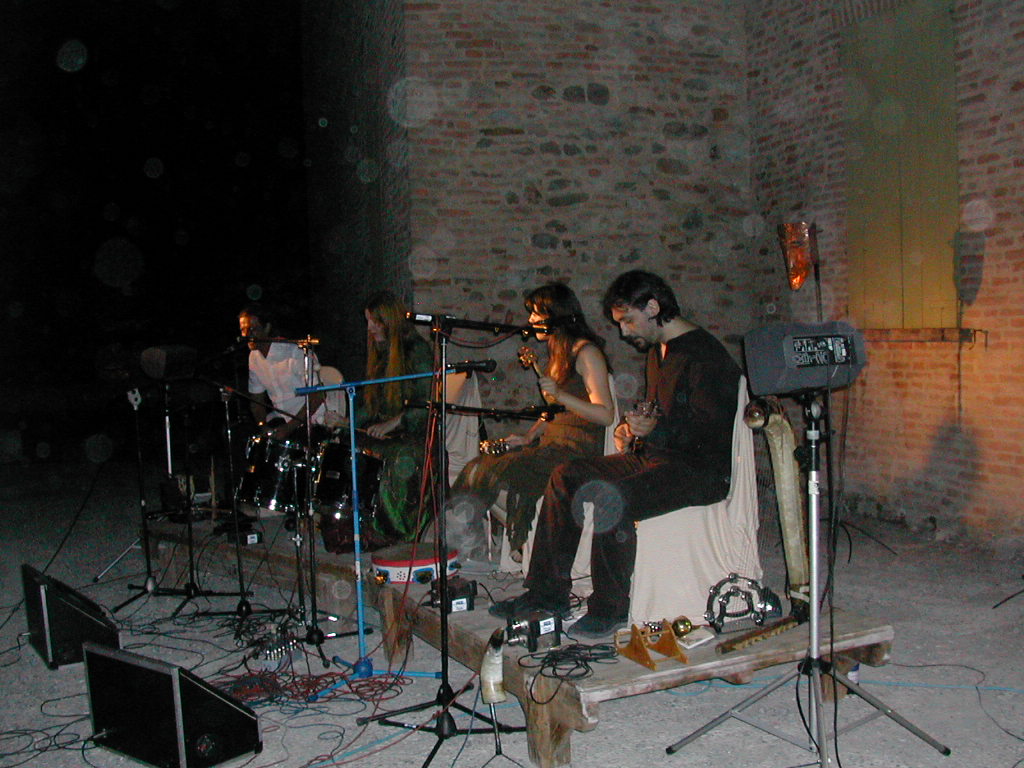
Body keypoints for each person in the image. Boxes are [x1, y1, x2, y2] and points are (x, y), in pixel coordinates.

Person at [489, 270, 742, 638]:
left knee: (613, 497)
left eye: (628, 320)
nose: (624, 332)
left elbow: (711, 433)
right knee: (565, 476)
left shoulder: (705, 356)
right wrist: (633, 428)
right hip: (659, 457)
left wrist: (655, 431)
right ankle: (548, 594)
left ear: (652, 308)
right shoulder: (658, 351)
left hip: (700, 470)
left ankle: (610, 608)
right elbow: (663, 414)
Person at [447, 283, 614, 564]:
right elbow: (553, 411)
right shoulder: (557, 352)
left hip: (578, 447)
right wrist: (529, 436)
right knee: (480, 465)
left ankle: (506, 540)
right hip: (553, 443)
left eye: (537, 314)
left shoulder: (586, 353)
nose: (531, 320)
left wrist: (560, 395)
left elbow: (605, 414)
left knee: (491, 470)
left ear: (556, 315)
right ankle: (499, 538)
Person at [353, 290, 434, 543]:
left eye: (375, 322)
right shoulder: (381, 352)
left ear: (390, 321)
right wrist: (347, 423)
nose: (370, 328)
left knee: (398, 455)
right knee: (346, 443)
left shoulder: (417, 350)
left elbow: (424, 402)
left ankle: (395, 530)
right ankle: (354, 520)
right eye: (368, 321)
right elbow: (372, 403)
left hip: (415, 433)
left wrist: (393, 422)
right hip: (389, 431)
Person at [238, 304, 325, 442]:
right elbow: (256, 401)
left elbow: (318, 395)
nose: (247, 335)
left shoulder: (295, 352)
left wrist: (289, 428)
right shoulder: (253, 357)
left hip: (312, 423)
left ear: (267, 328)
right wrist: (262, 426)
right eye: (243, 330)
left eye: (252, 329)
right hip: (281, 423)